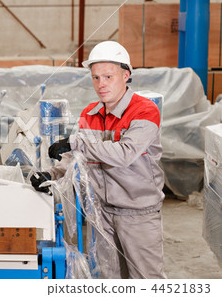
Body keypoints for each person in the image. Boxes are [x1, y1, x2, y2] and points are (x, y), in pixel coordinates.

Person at [30, 41, 166, 279]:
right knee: (110, 278)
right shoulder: (90, 113)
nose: (101, 84)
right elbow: (75, 159)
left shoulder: (145, 111)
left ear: (126, 75)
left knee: (146, 280)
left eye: (108, 77)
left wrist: (75, 142)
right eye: (96, 78)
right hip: (101, 214)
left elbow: (125, 153)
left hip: (138, 214)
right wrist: (50, 175)